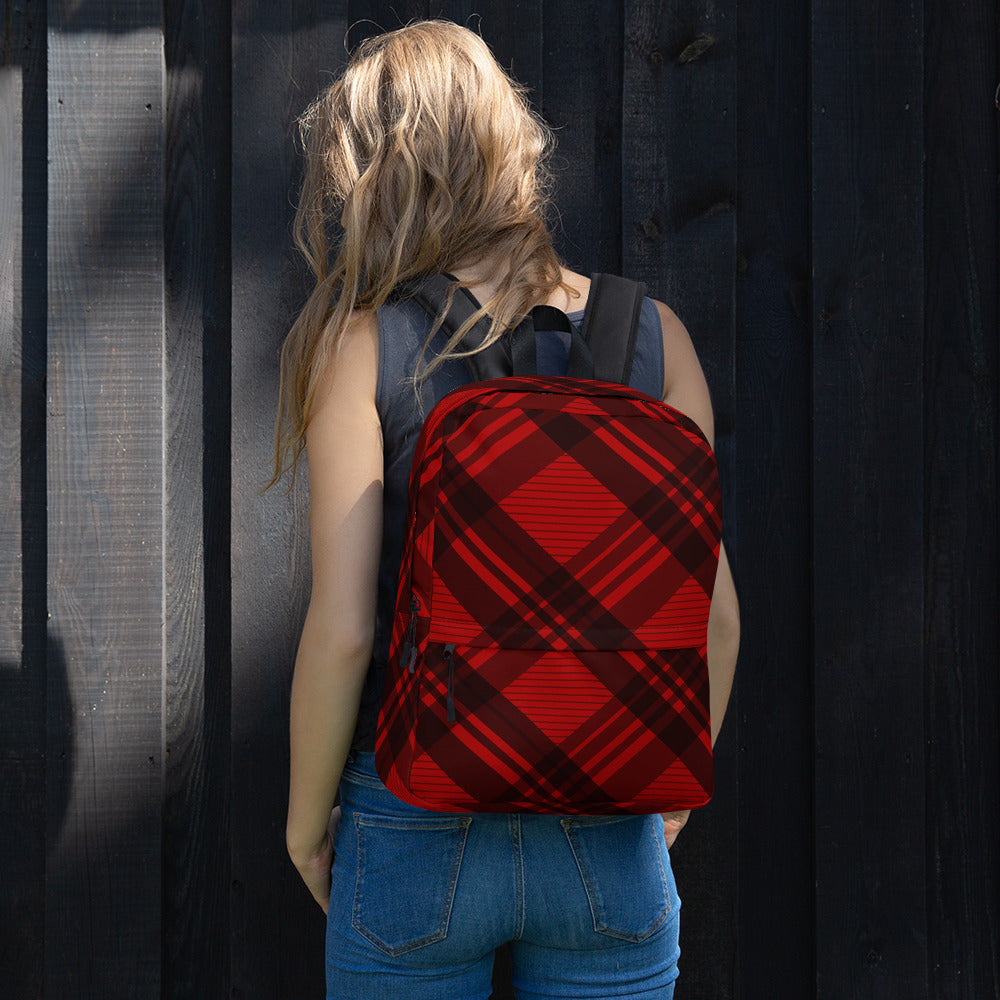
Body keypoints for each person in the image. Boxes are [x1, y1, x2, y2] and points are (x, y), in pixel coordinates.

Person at [273, 20, 740, 1000]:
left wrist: (306, 824)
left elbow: (346, 627)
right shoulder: (656, 337)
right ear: (512, 147)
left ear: (374, 176)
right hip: (609, 815)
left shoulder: (363, 344)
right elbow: (716, 614)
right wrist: (669, 807)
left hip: (412, 810)